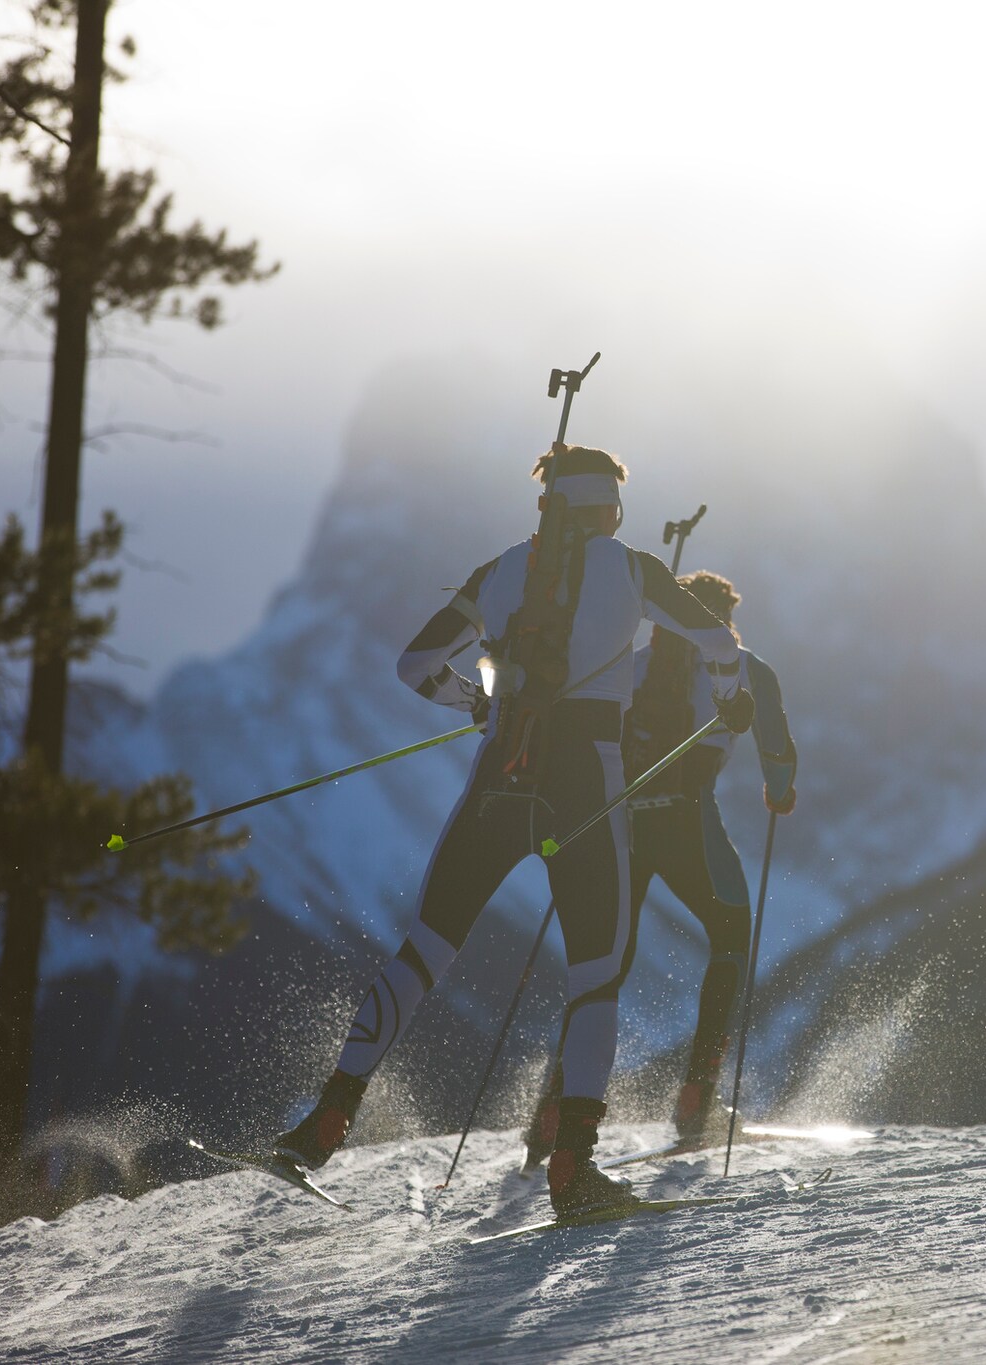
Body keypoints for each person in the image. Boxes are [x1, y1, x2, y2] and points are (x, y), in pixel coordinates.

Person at [273, 445, 754, 1219]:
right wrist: (731, 705)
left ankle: (324, 1121)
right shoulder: (636, 572)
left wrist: (473, 701)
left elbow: (416, 664)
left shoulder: (501, 571)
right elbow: (721, 647)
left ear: (548, 507)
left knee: (424, 951)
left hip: (500, 776)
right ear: (610, 508)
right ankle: (574, 1173)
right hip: (586, 786)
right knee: (595, 975)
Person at [523, 569, 798, 1165]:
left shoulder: (626, 665)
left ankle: (554, 1107)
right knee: (729, 937)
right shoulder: (746, 669)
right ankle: (697, 1097)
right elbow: (776, 750)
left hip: (619, 822)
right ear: (724, 618)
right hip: (686, 821)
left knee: (606, 961)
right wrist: (780, 790)